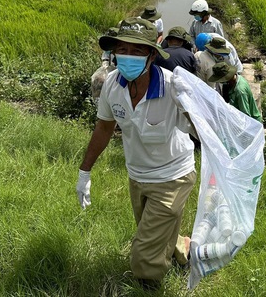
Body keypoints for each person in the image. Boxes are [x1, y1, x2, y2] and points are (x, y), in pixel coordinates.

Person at [76, 17, 196, 289]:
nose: (127, 57)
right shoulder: (111, 85)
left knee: (144, 252)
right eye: (122, 50)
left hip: (173, 176)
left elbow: (204, 128)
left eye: (137, 51)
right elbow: (104, 128)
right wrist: (84, 172)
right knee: (152, 230)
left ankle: (148, 285)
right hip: (138, 174)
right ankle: (184, 250)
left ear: (152, 55)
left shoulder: (173, 88)